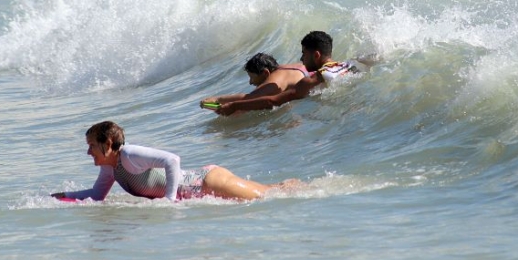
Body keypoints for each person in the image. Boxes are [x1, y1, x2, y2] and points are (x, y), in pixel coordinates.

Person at [51, 121, 298, 202]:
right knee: (270, 192)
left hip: (208, 182)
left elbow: (172, 159)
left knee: (269, 196)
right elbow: (96, 195)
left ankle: (300, 186)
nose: (88, 153)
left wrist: (169, 201)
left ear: (107, 144)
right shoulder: (110, 167)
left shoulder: (128, 154)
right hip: (201, 190)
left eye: (91, 146)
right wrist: (61, 196)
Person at [215, 31, 370, 116]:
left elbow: (273, 101)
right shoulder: (349, 64)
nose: (301, 58)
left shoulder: (310, 81)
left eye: (304, 53)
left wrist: (235, 106)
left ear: (316, 55)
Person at [200, 52, 309, 108]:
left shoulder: (275, 81)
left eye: (252, 77)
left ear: (266, 73)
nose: (250, 82)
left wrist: (215, 100)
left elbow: (249, 98)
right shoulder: (290, 67)